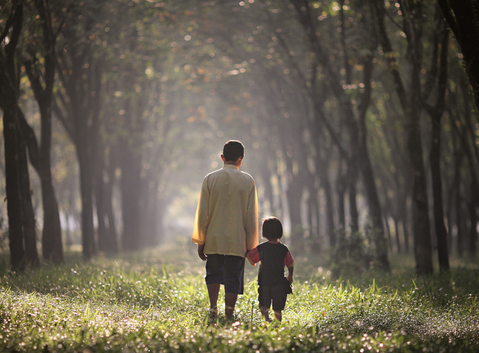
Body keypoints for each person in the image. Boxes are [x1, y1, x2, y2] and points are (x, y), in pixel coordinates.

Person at [192, 140, 259, 320]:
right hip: (237, 241)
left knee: (213, 274)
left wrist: (200, 240)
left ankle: (213, 308)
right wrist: (252, 246)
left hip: (213, 238)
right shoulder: (248, 181)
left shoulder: (210, 179)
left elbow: (202, 213)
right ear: (241, 159)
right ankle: (229, 313)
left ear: (222, 158)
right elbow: (251, 217)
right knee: (233, 278)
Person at [247, 217, 294, 322]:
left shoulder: (261, 248)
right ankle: (278, 323)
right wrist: (290, 276)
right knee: (278, 307)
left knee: (264, 303)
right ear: (280, 232)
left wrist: (247, 247)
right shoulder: (284, 249)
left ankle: (267, 319)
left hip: (265, 281)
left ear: (264, 232)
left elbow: (251, 257)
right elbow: (290, 264)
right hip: (279, 282)